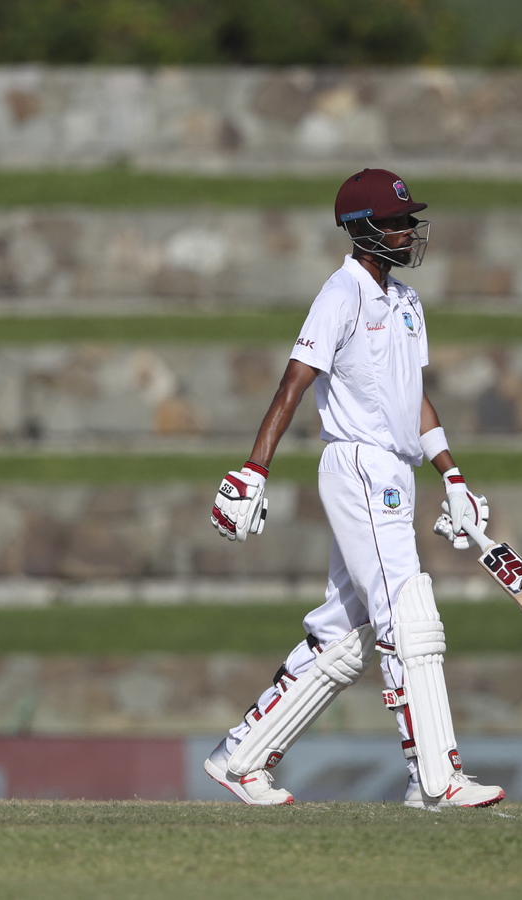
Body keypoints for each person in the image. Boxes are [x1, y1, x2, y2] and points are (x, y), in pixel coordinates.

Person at [206, 169, 504, 809]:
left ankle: (241, 757)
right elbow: (293, 382)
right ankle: (435, 779)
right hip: (360, 467)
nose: (408, 231)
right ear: (363, 229)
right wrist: (253, 469)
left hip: (397, 470)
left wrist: (451, 475)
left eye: (408, 220)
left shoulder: (406, 301)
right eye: (396, 222)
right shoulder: (341, 293)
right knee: (408, 612)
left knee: (343, 638)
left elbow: (412, 397)